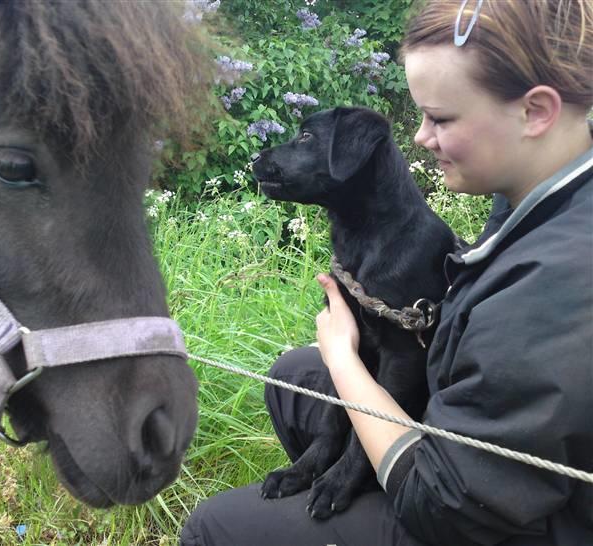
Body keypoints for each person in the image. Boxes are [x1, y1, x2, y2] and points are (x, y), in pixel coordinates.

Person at [180, 0, 593, 544]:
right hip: (462, 425)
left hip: (495, 520)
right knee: (291, 378)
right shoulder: (528, 206)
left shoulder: (560, 280)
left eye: (441, 118)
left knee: (215, 527)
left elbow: (448, 505)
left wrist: (344, 358)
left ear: (535, 112)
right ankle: (325, 482)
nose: (419, 137)